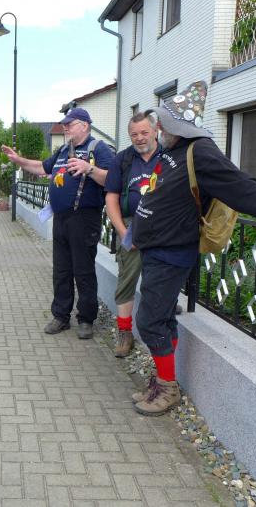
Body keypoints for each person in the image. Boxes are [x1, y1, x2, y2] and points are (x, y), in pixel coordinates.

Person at [130, 81, 256, 416]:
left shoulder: (199, 151)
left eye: (163, 124)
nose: (158, 129)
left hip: (171, 253)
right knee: (162, 317)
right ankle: (163, 379)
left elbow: (239, 184)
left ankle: (168, 388)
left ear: (177, 126)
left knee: (149, 321)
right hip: (156, 249)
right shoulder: (173, 149)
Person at [3, 107, 114, 339]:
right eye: (64, 125)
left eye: (69, 124)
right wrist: (18, 160)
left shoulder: (98, 148)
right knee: (61, 270)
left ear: (84, 125)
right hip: (61, 219)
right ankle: (61, 316)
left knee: (83, 271)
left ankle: (86, 319)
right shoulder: (63, 150)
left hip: (84, 218)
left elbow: (113, 179)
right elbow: (41, 167)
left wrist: (89, 168)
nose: (65, 128)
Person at [104, 112, 161, 358]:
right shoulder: (123, 159)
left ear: (156, 131)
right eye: (134, 134)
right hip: (130, 225)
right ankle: (125, 332)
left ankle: (162, 320)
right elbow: (111, 198)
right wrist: (123, 232)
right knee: (127, 278)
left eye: (144, 132)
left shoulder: (169, 156)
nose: (139, 138)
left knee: (161, 275)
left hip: (163, 227)